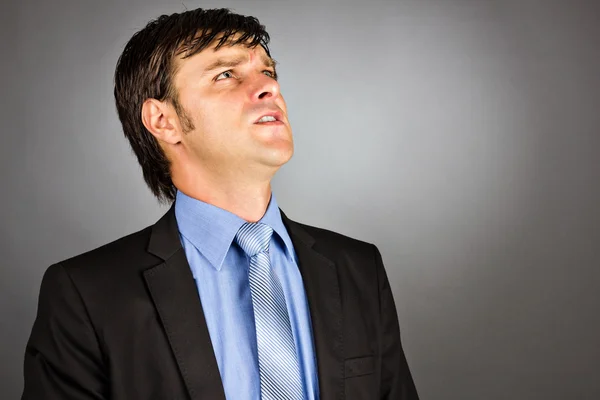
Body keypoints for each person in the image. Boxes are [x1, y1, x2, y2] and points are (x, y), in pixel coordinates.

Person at [22, 7, 419, 400]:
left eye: (269, 71)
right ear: (163, 121)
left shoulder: (359, 269)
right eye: (226, 74)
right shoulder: (86, 294)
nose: (269, 88)